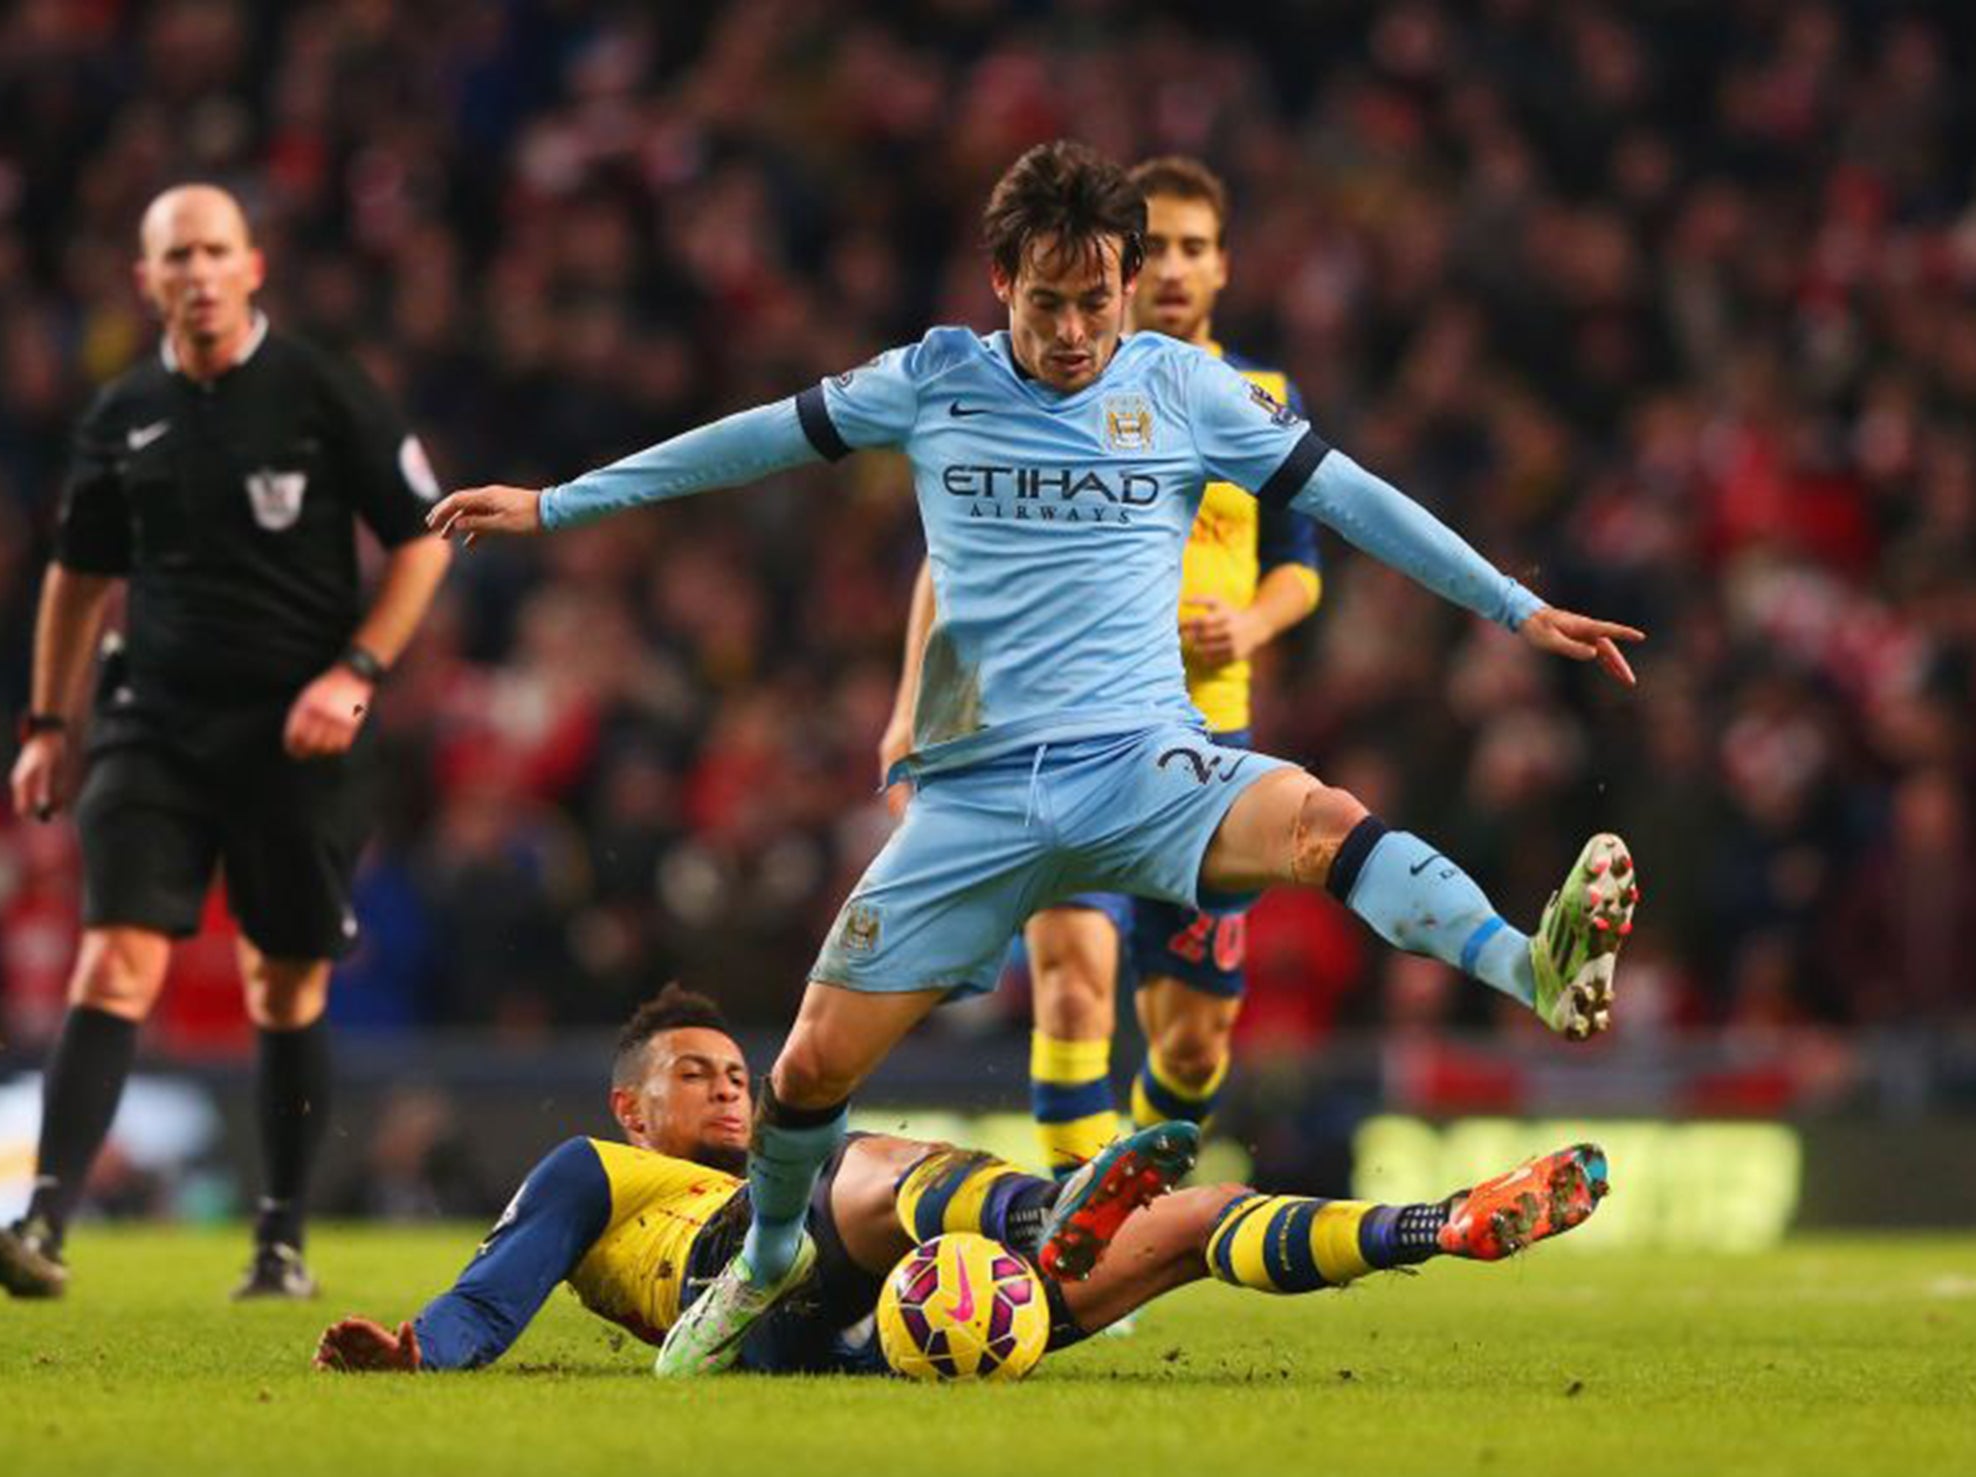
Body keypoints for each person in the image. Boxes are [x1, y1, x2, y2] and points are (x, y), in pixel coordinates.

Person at [425, 139, 1643, 1376]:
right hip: (974, 803)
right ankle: (769, 1254)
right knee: (803, 1073)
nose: (1073, 330)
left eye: (1096, 299)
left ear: (1126, 284)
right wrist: (556, 503)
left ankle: (1530, 970)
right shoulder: (930, 379)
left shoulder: (1183, 389)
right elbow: (744, 442)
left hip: (1141, 770)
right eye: (1047, 301)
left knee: (1322, 818)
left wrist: (1512, 607)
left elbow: (1351, 498)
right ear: (999, 280)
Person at [0, 184, 453, 1302]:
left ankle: (279, 1242)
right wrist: (47, 722)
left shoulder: (324, 392)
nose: (195, 271)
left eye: (213, 250)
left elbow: (423, 542)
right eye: (174, 254)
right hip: (156, 724)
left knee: (283, 987)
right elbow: (78, 581)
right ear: (146, 280)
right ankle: (44, 1224)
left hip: (298, 729)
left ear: (253, 265)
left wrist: (357, 673)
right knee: (114, 955)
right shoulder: (121, 411)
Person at [312, 984, 1608, 1375]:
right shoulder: (594, 1168)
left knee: (1193, 1217)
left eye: (737, 1074)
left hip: (866, 1342)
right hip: (731, 1301)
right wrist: (421, 1350)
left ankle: (1446, 1224)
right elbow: (505, 1281)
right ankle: (1052, 1215)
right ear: (627, 1103)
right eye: (696, 1074)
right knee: (862, 1162)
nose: (728, 1087)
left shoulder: (772, 1149)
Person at [878, 155, 1323, 1177]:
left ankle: (1134, 1177)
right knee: (1073, 980)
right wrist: (912, 707)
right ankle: (1077, 1226)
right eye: (1152, 246)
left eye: (1192, 248)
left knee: (1194, 1043)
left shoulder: (1254, 398)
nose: (1169, 267)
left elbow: (1301, 566)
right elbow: (952, 562)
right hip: (1063, 733)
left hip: (1205, 743)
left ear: (1222, 268)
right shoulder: (1030, 392)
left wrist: (1248, 627)